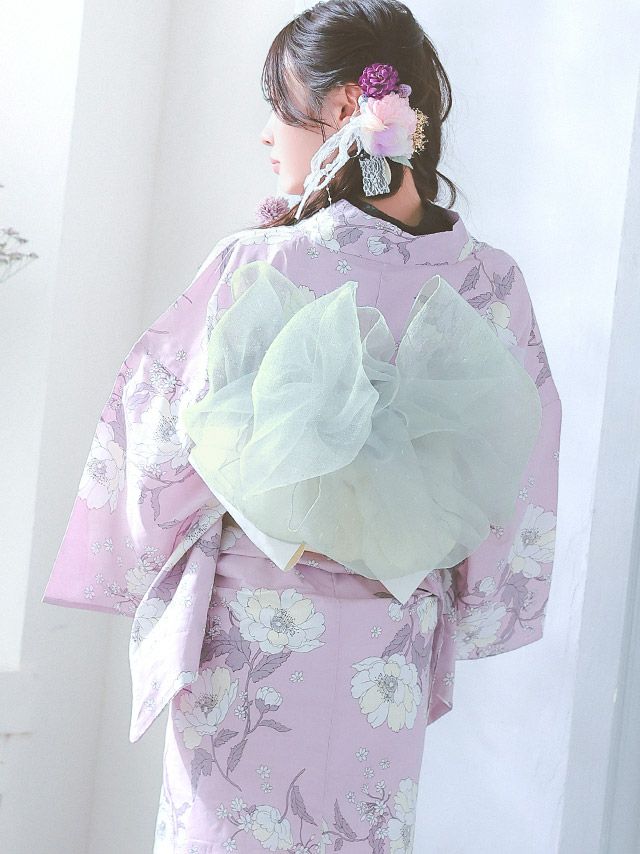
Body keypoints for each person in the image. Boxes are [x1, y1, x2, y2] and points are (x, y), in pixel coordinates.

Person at [42, 1, 562, 851]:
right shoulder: (492, 285)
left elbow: (161, 434)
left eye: (279, 106)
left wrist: (144, 551)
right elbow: (522, 463)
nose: (265, 132)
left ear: (347, 105)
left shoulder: (260, 261)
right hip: (390, 635)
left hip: (253, 624)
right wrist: (478, 602)